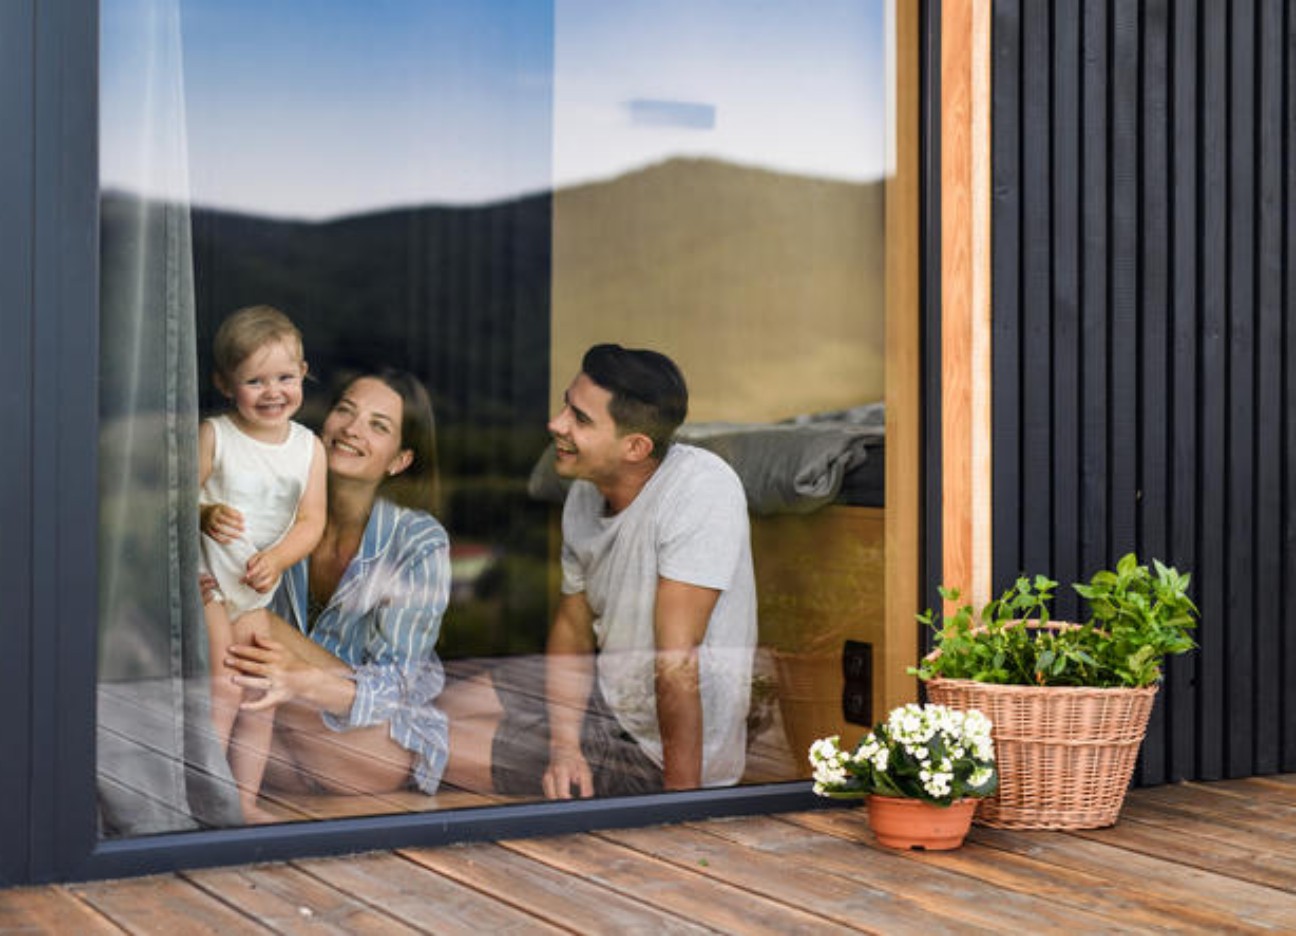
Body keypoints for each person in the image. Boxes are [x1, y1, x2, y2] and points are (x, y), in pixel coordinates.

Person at [445, 343, 756, 798]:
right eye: (565, 405)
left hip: (654, 753)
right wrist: (565, 746)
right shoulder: (585, 492)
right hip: (606, 695)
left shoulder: (701, 490)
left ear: (635, 447)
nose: (556, 424)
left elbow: (676, 665)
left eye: (580, 419)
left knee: (420, 746)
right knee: (441, 711)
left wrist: (682, 810)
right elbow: (572, 626)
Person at [214, 369, 451, 822]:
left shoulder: (417, 541)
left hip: (370, 747)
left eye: (378, 425)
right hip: (278, 739)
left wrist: (298, 679)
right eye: (346, 410)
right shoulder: (276, 511)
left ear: (399, 460)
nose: (352, 429)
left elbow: (397, 687)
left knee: (252, 623)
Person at [198, 305, 327, 820]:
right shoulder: (217, 436)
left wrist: (277, 559)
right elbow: (171, 500)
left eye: (285, 377)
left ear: (303, 374)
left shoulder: (307, 448)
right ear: (225, 384)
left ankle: (244, 803)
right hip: (206, 580)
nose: (273, 392)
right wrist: (204, 512)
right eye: (255, 380)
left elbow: (311, 523)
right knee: (223, 686)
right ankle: (203, 800)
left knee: (259, 691)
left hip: (252, 589)